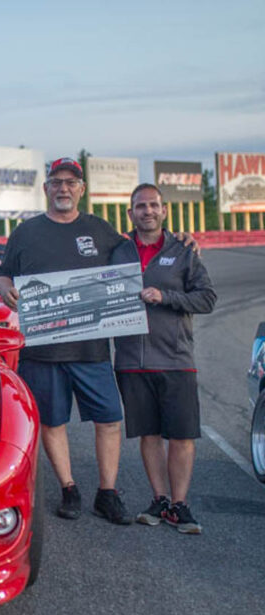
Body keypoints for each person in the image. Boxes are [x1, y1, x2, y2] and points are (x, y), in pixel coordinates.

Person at [0, 157, 133, 523]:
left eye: (71, 182)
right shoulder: (26, 232)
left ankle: (108, 492)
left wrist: (178, 241)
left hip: (92, 349)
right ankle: (69, 488)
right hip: (42, 350)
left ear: (81, 189)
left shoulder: (101, 230)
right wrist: (7, 289)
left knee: (109, 419)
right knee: (52, 422)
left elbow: (136, 255)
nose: (63, 188)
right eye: (56, 182)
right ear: (46, 189)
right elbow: (3, 275)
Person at [111, 183, 216, 534]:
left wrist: (166, 296)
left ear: (164, 210)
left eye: (154, 205)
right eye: (141, 206)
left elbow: (206, 299)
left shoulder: (183, 251)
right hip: (131, 361)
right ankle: (159, 500)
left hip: (176, 359)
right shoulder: (117, 251)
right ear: (131, 213)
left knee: (182, 436)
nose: (148, 211)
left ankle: (180, 504)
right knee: (149, 435)